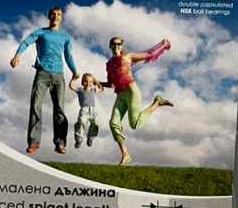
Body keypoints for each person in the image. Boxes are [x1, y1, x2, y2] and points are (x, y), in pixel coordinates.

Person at [10, 7, 77, 154]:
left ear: (61, 18)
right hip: (42, 73)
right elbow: (26, 42)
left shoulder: (65, 37)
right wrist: (17, 55)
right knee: (35, 105)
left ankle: (60, 143)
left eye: (58, 14)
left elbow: (68, 56)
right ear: (49, 16)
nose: (55, 16)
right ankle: (33, 142)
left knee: (59, 109)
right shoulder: (41, 32)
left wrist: (74, 71)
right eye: (53, 14)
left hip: (58, 75)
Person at [102, 36, 173, 165]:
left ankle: (156, 103)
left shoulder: (127, 57)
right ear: (110, 46)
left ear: (121, 46)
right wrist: (96, 82)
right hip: (120, 95)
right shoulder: (109, 64)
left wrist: (163, 45)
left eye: (119, 44)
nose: (116, 46)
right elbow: (110, 83)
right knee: (113, 123)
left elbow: (150, 54)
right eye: (114, 44)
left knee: (134, 124)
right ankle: (125, 154)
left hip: (131, 92)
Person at [69, 71, 105, 148]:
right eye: (86, 81)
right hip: (84, 110)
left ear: (92, 83)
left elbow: (101, 88)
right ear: (82, 82)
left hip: (93, 110)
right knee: (81, 122)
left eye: (90, 82)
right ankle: (79, 139)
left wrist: (96, 81)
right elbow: (71, 86)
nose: (88, 83)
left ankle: (91, 138)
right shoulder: (80, 90)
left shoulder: (93, 90)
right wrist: (73, 79)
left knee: (95, 123)